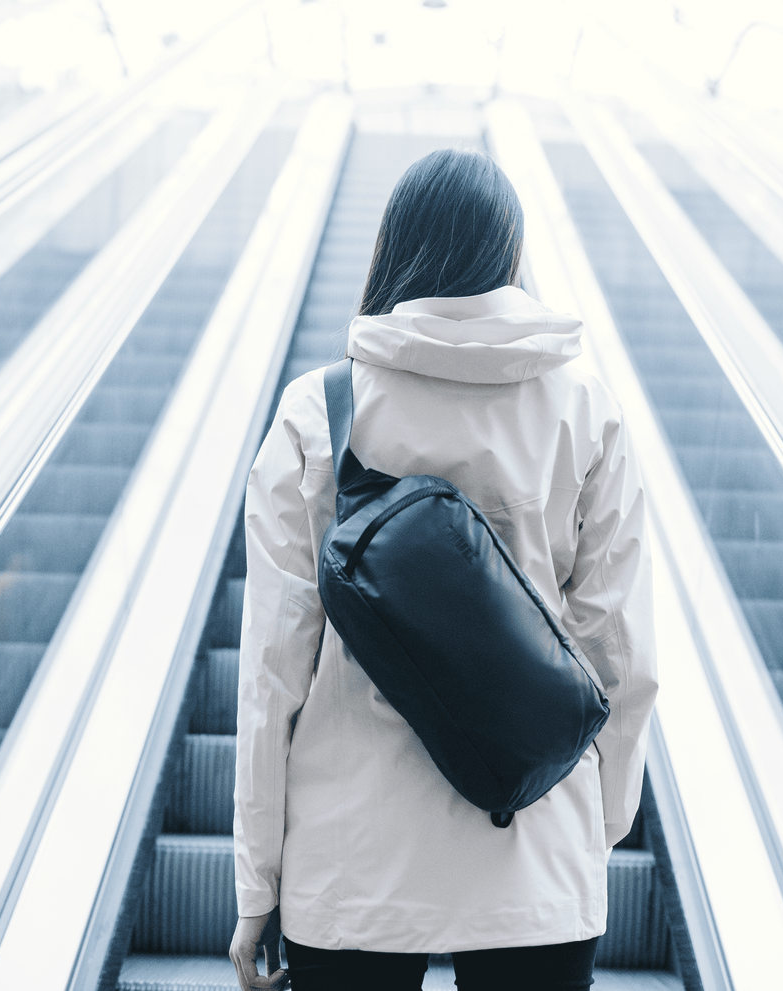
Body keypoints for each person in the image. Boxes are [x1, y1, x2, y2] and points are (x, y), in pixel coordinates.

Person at [229, 148, 658, 991]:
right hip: (533, 849)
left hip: (352, 862)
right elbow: (622, 655)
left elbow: (270, 673)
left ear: (397, 248)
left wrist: (257, 880)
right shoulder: (586, 408)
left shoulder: (319, 410)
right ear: (509, 253)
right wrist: (590, 831)